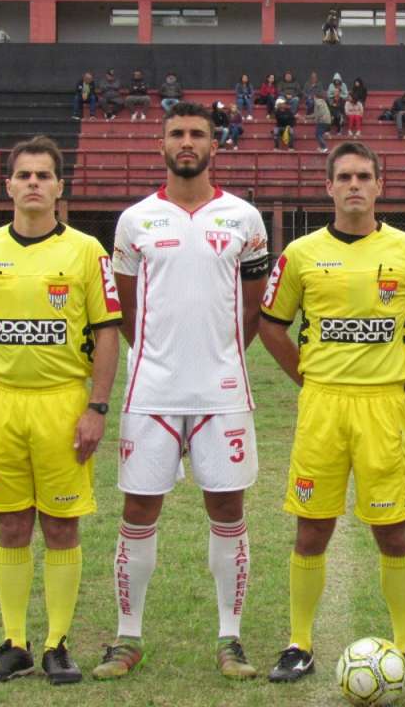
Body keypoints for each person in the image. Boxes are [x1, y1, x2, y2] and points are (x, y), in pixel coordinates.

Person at [260, 141, 405, 686]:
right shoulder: (299, 254)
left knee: (392, 530)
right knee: (312, 527)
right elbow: (269, 324)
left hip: (383, 405)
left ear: (378, 185)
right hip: (322, 404)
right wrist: (305, 375)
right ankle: (299, 642)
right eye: (343, 176)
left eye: (363, 176)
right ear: (328, 186)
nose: (353, 185)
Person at [93, 102, 270, 682]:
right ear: (161, 145)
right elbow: (126, 306)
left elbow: (251, 309)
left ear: (215, 146)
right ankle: (127, 636)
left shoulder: (244, 218)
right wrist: (163, 354)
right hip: (152, 392)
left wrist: (218, 356)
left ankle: (230, 638)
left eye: (197, 134)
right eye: (177, 134)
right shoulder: (135, 220)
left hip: (222, 394)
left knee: (228, 510)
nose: (187, 142)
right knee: (138, 510)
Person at [0, 135, 122, 685]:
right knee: (11, 521)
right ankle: (15, 641)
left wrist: (97, 406)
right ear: (8, 185)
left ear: (59, 187)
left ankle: (57, 643)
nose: (33, 184)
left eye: (43, 176)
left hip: (63, 403)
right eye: (23, 175)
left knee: (62, 524)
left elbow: (108, 333)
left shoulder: (86, 251)